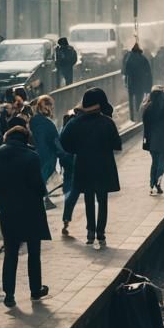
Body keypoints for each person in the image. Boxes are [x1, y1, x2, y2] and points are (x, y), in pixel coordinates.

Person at [0, 122, 50, 307]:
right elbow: (39, 187)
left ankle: (9, 294)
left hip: (8, 210)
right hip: (31, 211)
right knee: (33, 252)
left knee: (11, 252)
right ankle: (35, 289)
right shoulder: (32, 156)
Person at [59, 87, 122, 248]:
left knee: (88, 199)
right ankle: (101, 232)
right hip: (104, 165)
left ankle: (90, 232)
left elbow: (64, 142)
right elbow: (117, 144)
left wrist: (76, 150)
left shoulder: (75, 122)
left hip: (83, 165)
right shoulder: (107, 122)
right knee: (102, 200)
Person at [30, 96, 67, 210]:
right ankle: (45, 200)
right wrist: (62, 154)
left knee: (41, 176)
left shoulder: (32, 121)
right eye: (52, 106)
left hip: (36, 152)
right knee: (44, 176)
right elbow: (55, 141)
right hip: (48, 154)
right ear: (48, 107)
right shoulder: (48, 123)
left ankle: (44, 200)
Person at [142, 82, 164, 195]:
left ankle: (152, 185)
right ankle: (158, 182)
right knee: (163, 164)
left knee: (155, 163)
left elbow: (145, 126)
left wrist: (146, 141)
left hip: (152, 140)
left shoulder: (147, 108)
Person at [122, 43, 153, 123]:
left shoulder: (129, 58)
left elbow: (125, 72)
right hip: (140, 83)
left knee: (131, 101)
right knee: (139, 100)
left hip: (131, 83)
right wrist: (148, 87)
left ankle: (132, 117)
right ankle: (139, 117)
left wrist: (126, 81)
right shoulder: (143, 59)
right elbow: (148, 73)